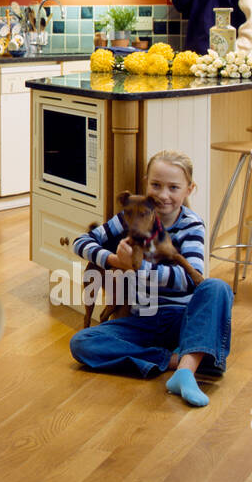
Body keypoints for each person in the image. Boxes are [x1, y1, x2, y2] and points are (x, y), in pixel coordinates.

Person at [68, 151, 233, 408]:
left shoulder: (192, 225)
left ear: (189, 190)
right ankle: (179, 361)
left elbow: (188, 280)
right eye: (156, 185)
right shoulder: (130, 216)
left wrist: (138, 268)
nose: (163, 194)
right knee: (82, 343)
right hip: (143, 318)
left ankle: (186, 372)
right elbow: (80, 242)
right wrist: (113, 261)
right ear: (146, 183)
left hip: (183, 318)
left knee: (217, 287)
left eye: (173, 187)